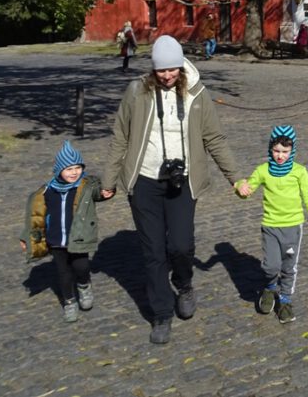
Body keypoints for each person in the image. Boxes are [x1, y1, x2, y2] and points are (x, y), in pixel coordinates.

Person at [102, 35, 240, 345]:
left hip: (183, 180)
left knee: (180, 245)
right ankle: (161, 314)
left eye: (172, 70)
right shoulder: (137, 92)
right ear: (153, 69)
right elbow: (120, 138)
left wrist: (235, 178)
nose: (167, 76)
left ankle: (184, 282)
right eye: (161, 71)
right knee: (152, 252)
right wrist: (110, 180)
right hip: (145, 181)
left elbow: (214, 139)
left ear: (180, 66)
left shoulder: (197, 94)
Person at [235, 125, 308, 325]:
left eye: (285, 152)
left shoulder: (299, 172)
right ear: (270, 149)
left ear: (292, 150)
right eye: (276, 151)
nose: (280, 156)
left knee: (289, 267)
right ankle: (269, 286)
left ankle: (284, 300)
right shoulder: (263, 171)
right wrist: (241, 188)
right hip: (271, 226)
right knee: (270, 266)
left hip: (293, 227)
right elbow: (248, 191)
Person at [20, 141, 107, 322]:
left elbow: (98, 192)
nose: (74, 172)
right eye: (69, 169)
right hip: (56, 240)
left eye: (77, 167)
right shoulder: (47, 191)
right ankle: (69, 302)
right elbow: (36, 216)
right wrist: (25, 237)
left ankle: (84, 285)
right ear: (59, 170)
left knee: (81, 266)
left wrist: (107, 191)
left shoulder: (85, 188)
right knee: (64, 273)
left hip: (79, 238)